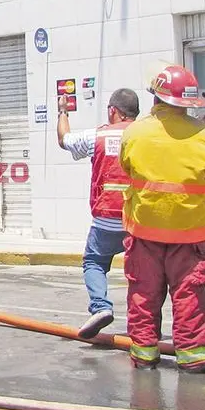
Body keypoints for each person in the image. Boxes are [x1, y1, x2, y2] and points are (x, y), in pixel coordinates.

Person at [118, 63, 205, 372]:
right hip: (191, 236)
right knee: (190, 298)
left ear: (155, 97)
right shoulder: (203, 136)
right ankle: (193, 358)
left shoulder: (134, 133)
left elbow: (127, 168)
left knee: (143, 295)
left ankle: (144, 355)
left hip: (144, 234)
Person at [56, 88, 140, 339]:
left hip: (106, 219)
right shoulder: (146, 134)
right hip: (138, 220)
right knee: (141, 273)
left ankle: (101, 307)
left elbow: (64, 139)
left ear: (113, 111)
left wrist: (63, 111)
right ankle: (143, 322)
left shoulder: (98, 136)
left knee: (94, 262)